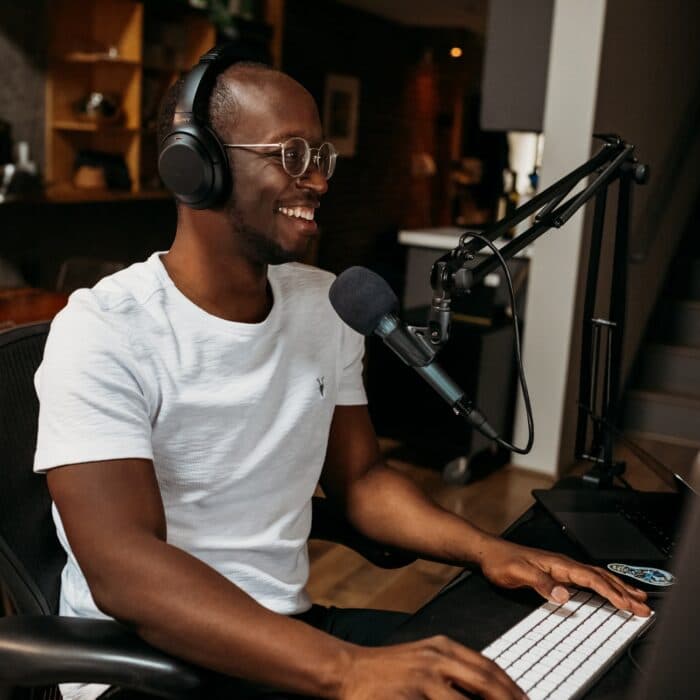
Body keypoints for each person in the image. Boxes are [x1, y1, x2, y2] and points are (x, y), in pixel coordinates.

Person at [34, 53, 650, 700]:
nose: (319, 181)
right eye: (291, 155)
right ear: (197, 167)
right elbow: (122, 571)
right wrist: (348, 670)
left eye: (321, 158)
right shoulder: (105, 330)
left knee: (500, 675)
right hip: (145, 667)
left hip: (286, 636)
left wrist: (487, 549)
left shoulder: (321, 305)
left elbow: (361, 483)